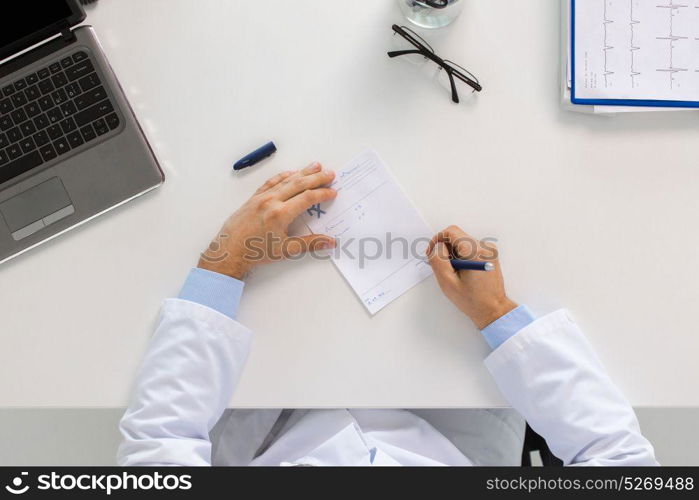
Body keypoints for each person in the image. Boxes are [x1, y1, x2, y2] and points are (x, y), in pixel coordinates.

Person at [117, 163, 658, 466]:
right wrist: (498, 313)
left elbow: (158, 445)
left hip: (267, 428)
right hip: (456, 433)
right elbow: (616, 458)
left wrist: (225, 262)